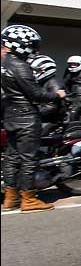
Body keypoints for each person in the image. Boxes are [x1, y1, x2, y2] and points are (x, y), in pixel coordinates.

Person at [1, 25, 67, 212]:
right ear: (20, 44)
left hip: (11, 115)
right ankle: (29, 199)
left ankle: (10, 197)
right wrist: (58, 95)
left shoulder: (4, 64)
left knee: (11, 158)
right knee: (28, 159)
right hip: (26, 117)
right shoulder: (20, 66)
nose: (34, 48)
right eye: (31, 44)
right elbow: (36, 94)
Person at [28, 54, 65, 129]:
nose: (33, 73)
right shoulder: (42, 82)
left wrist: (32, 113)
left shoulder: (54, 84)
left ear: (46, 70)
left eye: (36, 70)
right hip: (41, 117)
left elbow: (51, 107)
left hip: (50, 121)